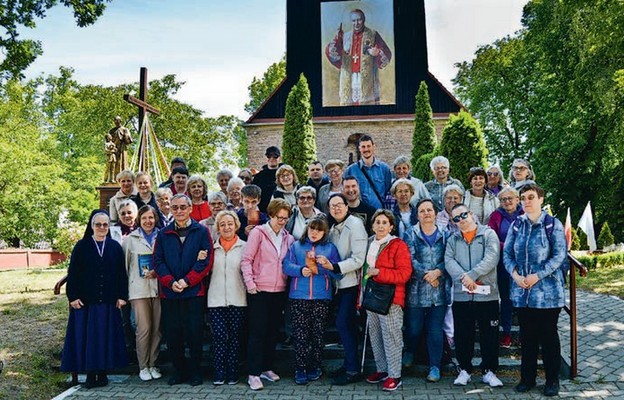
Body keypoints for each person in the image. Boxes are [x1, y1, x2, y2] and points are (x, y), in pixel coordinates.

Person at [504, 184, 567, 397]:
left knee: (548, 338)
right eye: (523, 198)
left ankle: (552, 381)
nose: (527, 201)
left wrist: (537, 276)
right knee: (527, 337)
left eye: (531, 197)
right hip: (522, 294)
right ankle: (527, 379)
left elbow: (559, 256)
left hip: (547, 294)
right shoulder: (516, 225)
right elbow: (507, 255)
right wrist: (515, 276)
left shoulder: (552, 224)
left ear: (540, 199)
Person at [60, 210, 128, 389]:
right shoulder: (81, 246)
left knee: (105, 338)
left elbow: (121, 273)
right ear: (91, 226)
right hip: (86, 302)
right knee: (89, 340)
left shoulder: (114, 247)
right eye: (98, 224)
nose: (102, 228)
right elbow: (73, 273)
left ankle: (103, 373)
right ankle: (90, 375)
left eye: (105, 224)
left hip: (108, 301)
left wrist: (122, 295)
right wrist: (72, 296)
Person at [153, 194, 213, 387]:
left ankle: (195, 372)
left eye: (182, 207)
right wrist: (171, 282)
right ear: (171, 209)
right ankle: (179, 371)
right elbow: (158, 261)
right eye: (175, 207)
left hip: (193, 293)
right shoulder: (163, 234)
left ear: (189, 209)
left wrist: (187, 281)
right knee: (173, 335)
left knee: (194, 334)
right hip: (169, 294)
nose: (179, 211)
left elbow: (206, 261)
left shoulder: (201, 231)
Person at [445, 204, 503, 388]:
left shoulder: (488, 234)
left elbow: (492, 257)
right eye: (456, 218)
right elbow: (448, 260)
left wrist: (473, 275)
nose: (461, 220)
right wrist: (464, 278)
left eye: (463, 215)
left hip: (487, 295)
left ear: (471, 214)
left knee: (490, 335)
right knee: (463, 335)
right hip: (462, 296)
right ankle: (465, 370)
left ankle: (489, 371)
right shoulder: (453, 239)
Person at [240, 199, 295, 391]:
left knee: (272, 332)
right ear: (271, 215)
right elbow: (246, 260)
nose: (282, 221)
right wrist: (250, 284)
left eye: (285, 218)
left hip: (279, 290)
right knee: (257, 332)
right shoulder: (258, 233)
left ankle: (266, 368)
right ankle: (253, 373)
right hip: (259, 290)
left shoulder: (289, 238)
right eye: (279, 217)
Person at [283, 216, 341, 385]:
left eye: (319, 230)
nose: (315, 232)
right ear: (307, 229)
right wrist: (300, 270)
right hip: (298, 297)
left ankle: (315, 366)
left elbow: (338, 273)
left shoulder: (330, 248)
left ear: (324, 232)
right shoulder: (296, 246)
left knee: (317, 334)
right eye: (312, 229)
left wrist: (327, 265)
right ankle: (300, 368)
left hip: (321, 297)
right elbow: (286, 266)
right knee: (300, 335)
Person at [363, 210, 412, 392]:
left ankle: (394, 375)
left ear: (391, 226)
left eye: (385, 222)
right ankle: (382, 370)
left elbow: (405, 274)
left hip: (391, 298)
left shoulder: (397, 245)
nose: (381, 225)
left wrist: (379, 273)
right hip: (371, 296)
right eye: (378, 222)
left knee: (391, 336)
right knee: (375, 335)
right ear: (373, 225)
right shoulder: (368, 243)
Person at [402, 199, 450, 382]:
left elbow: (450, 257)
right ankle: (410, 350)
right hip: (416, 290)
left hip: (439, 292)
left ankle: (435, 367)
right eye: (422, 211)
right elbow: (409, 258)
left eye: (429, 210)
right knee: (414, 329)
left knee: (435, 330)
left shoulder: (446, 235)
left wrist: (438, 272)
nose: (426, 213)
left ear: (435, 213)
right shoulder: (410, 234)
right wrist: (427, 275)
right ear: (418, 214)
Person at [325, 193, 367, 385]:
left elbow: (358, 259)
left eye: (339, 204)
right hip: (338, 285)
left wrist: (335, 267)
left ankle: (352, 370)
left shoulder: (355, 225)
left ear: (347, 206)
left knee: (344, 324)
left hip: (351, 284)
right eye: (332, 206)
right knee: (345, 325)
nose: (336, 208)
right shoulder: (333, 228)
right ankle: (349, 364)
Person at [122, 205, 162, 382]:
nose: (148, 221)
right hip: (138, 291)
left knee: (157, 329)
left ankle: (153, 364)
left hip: (159, 289)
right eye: (144, 218)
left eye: (151, 218)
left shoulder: (162, 236)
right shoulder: (131, 239)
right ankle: (143, 366)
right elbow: (124, 266)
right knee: (144, 329)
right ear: (139, 219)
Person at [208, 210, 247, 385]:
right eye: (222, 224)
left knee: (235, 337)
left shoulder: (245, 247)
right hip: (215, 300)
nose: (226, 227)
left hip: (238, 299)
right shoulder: (211, 249)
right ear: (217, 228)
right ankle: (219, 372)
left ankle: (232, 372)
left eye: (230, 223)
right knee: (219, 336)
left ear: (236, 225)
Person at [325, 8, 392, 106]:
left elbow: (387, 53)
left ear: (364, 19)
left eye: (359, 20)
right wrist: (337, 39)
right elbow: (332, 53)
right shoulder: (345, 36)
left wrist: (377, 53)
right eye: (353, 20)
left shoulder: (373, 34)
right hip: (349, 77)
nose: (356, 23)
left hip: (367, 78)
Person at [488, 187, 524, 349]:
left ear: (517, 199)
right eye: (503, 199)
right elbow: (492, 238)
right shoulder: (495, 216)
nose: (507, 202)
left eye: (510, 198)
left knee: (524, 298)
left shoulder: (525, 214)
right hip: (503, 263)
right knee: (506, 298)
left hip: (524, 262)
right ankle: (507, 333)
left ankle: (526, 334)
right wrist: (510, 246)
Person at [344, 134, 392, 210]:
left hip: (379, 213)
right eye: (363, 147)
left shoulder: (384, 169)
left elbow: (388, 192)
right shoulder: (351, 170)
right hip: (359, 213)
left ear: (373, 147)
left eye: (368, 146)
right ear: (359, 148)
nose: (366, 149)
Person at [253, 146, 283, 213]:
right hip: (263, 212)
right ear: (266, 158)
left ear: (280, 158)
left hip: (281, 212)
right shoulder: (258, 177)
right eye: (269, 156)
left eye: (275, 156)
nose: (272, 158)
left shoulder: (285, 175)